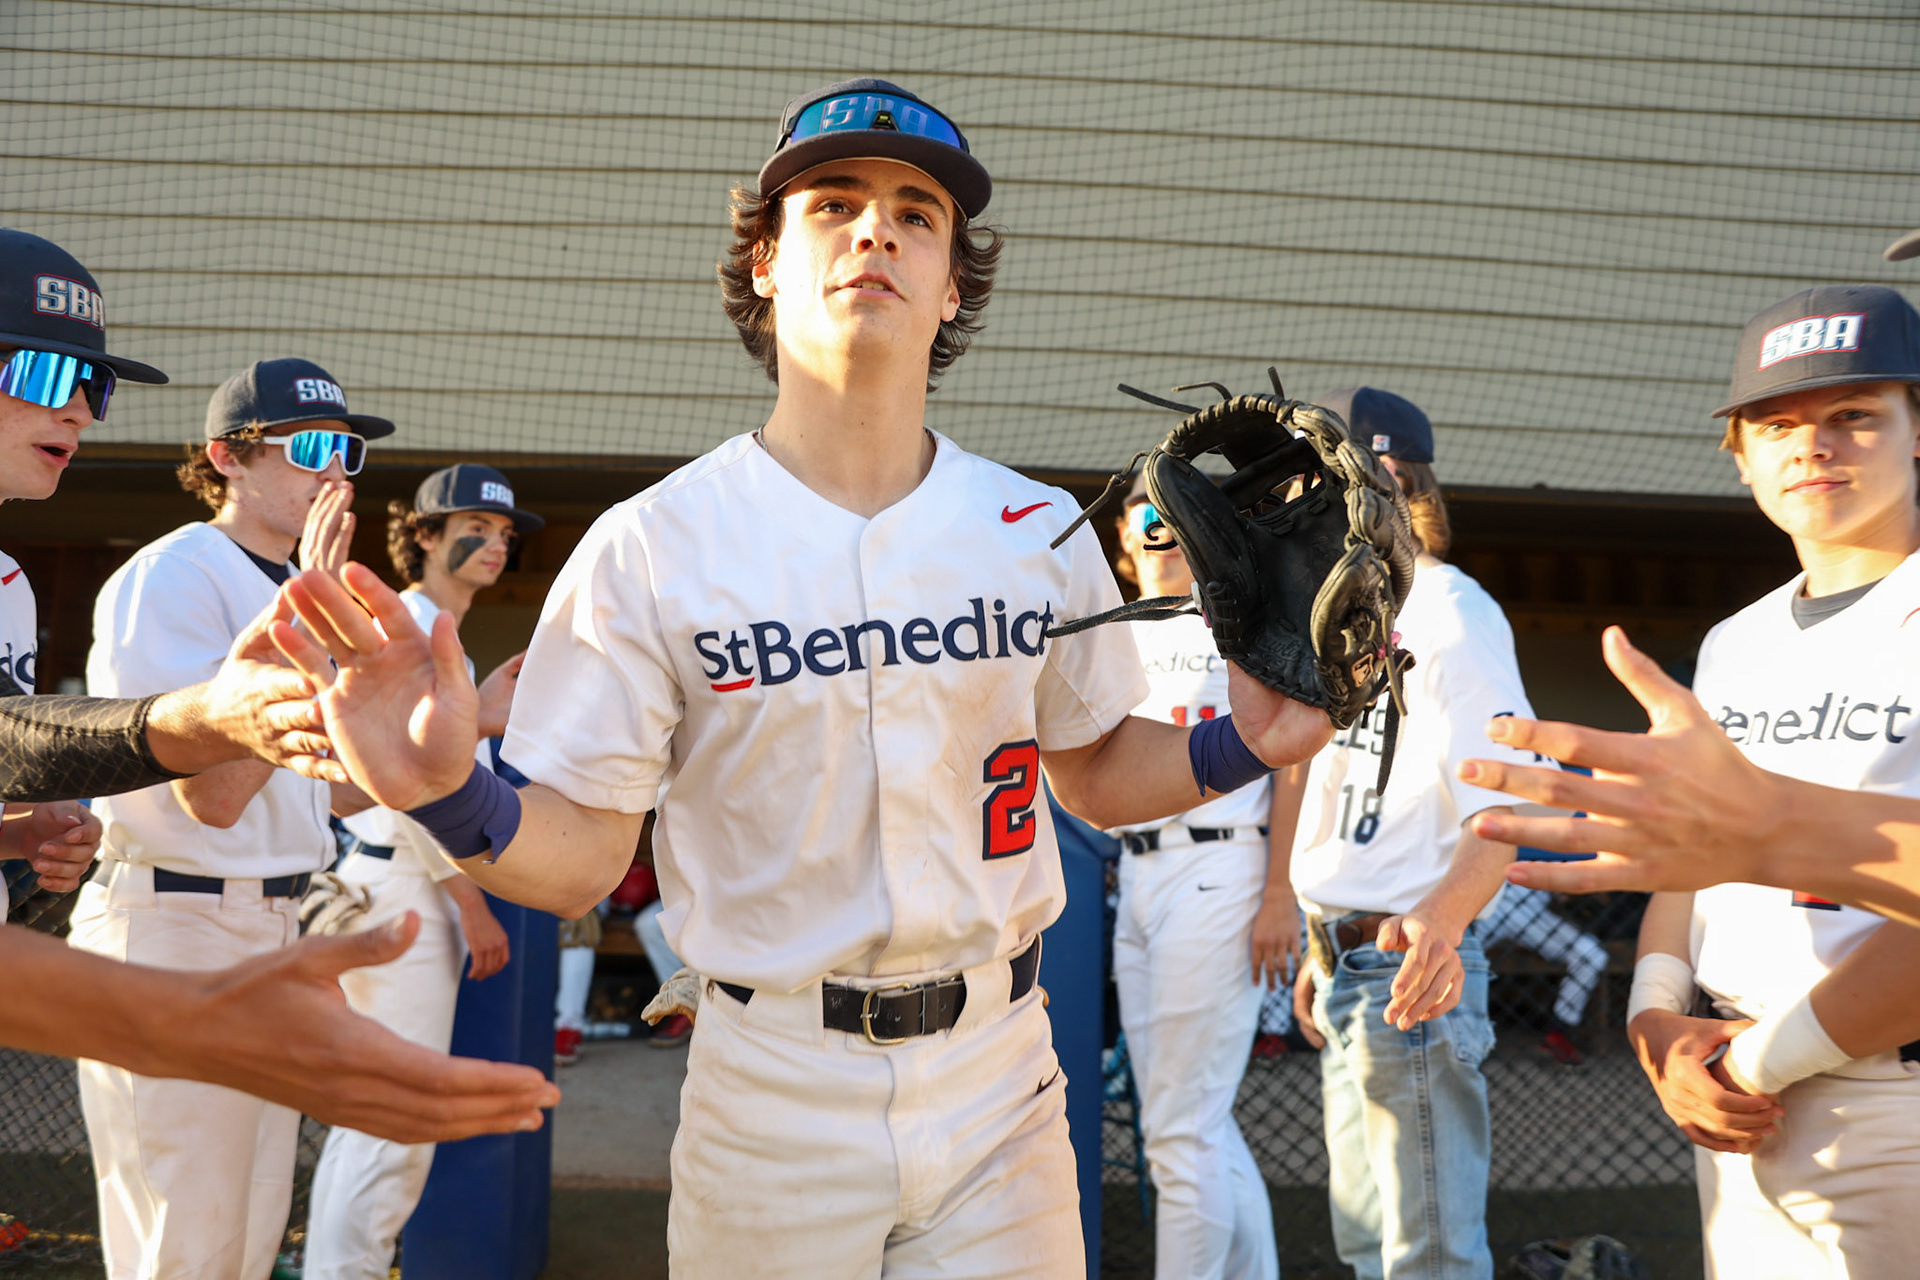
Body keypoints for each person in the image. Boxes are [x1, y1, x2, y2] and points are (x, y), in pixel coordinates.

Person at [277, 77, 1331, 1279]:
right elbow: (576, 851)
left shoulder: (1035, 525)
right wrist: (442, 787)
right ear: (766, 262)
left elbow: (1089, 768)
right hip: (773, 1082)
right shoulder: (653, 541)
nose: (875, 229)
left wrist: (1244, 740)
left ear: (951, 284)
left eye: (916, 213)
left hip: (1005, 1074)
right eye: (832, 203)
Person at [1612, 284, 1920, 1278]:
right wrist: (1657, 1021)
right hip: (1731, 1103)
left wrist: (1746, 1062)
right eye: (1777, 423)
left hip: (1890, 1101)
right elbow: (1692, 862)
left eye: (1854, 416)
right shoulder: (1733, 642)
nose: (1813, 445)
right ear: (1740, 456)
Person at [75, 356, 393, 1280]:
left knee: (247, 1243)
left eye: (349, 451)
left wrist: (458, 735)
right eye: (311, 448)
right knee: (186, 1244)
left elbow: (320, 794)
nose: (336, 470)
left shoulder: (298, 589)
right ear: (229, 457)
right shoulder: (175, 573)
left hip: (272, 923)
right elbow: (209, 798)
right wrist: (318, 630)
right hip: (172, 919)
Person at [1279, 386, 1537, 1280]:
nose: (1305, 499)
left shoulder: (1449, 610)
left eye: (1328, 478)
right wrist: (1320, 949)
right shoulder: (1338, 610)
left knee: (1427, 1256)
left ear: (1388, 479)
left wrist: (1438, 924)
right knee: (1366, 1245)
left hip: (1406, 968)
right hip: (1347, 960)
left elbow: (1505, 809)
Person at [302, 464, 538, 1280]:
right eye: (477, 525)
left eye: (507, 533)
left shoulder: (436, 624)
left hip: (383, 882)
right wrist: (470, 903)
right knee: (392, 1115)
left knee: (375, 1112)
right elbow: (406, 788)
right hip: (397, 883)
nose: (498, 543)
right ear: (426, 534)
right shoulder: (413, 620)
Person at [1106, 477, 1284, 1280]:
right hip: (1137, 881)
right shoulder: (1104, 634)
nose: (1163, 528)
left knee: (1181, 1134)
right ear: (1123, 536)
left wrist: (1280, 891)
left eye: (1178, 517)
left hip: (1222, 864)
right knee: (1192, 1126)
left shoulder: (1240, 622)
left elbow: (1297, 757)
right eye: (1149, 514)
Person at [0, 229, 155, 907]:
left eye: (95, 383)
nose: (81, 412)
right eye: (46, 374)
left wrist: (27, 832)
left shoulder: (9, 584)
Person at [1479, 883, 1606, 1066]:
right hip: (1482, 906)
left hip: (1530, 911)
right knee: (1447, 953)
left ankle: (1559, 1031)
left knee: (1591, 955)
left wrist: (1568, 890)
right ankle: (1445, 1033)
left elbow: (1568, 886)